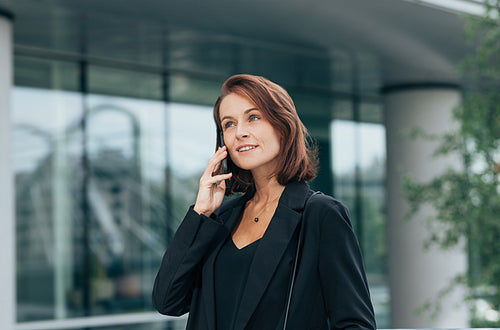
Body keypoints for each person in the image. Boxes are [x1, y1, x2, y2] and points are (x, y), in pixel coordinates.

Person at [152, 74, 376, 330]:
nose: (240, 133)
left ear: (282, 125)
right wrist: (201, 213)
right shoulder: (221, 219)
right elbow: (167, 301)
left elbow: (355, 324)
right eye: (229, 124)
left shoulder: (321, 215)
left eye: (253, 118)